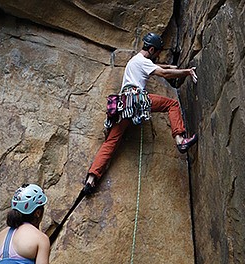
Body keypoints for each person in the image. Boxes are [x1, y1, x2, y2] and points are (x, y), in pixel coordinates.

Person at [84, 32, 199, 193]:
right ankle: (180, 140)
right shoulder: (142, 61)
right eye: (156, 53)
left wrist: (172, 67)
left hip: (122, 105)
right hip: (136, 99)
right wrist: (186, 72)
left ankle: (91, 178)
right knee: (172, 104)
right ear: (151, 49)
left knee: (111, 141)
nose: (156, 57)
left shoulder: (135, 61)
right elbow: (163, 73)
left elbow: (157, 68)